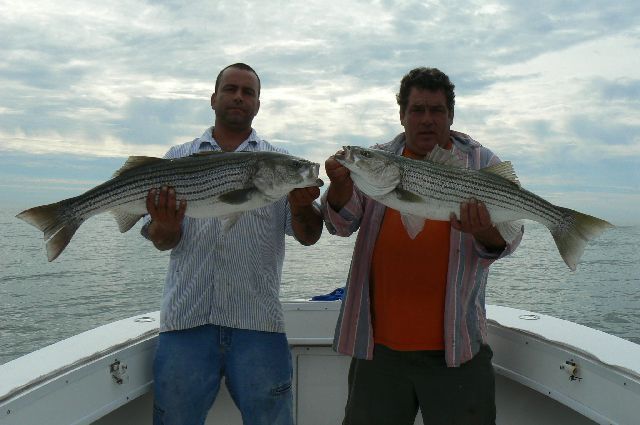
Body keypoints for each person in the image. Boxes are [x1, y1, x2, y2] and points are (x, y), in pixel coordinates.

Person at [322, 67, 524, 425]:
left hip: (457, 350)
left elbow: (509, 238)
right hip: (378, 352)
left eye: (437, 110)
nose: (427, 120)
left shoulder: (482, 163)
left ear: (451, 115)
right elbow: (340, 224)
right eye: (417, 110)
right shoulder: (377, 160)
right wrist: (339, 187)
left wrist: (485, 231)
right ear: (402, 115)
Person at [142, 63, 323, 425]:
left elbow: (308, 235)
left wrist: (301, 206)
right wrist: (166, 224)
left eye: (248, 92)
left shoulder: (279, 163)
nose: (239, 96)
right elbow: (161, 241)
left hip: (258, 324)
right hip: (186, 322)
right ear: (214, 98)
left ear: (258, 105)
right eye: (231, 89)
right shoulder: (178, 158)